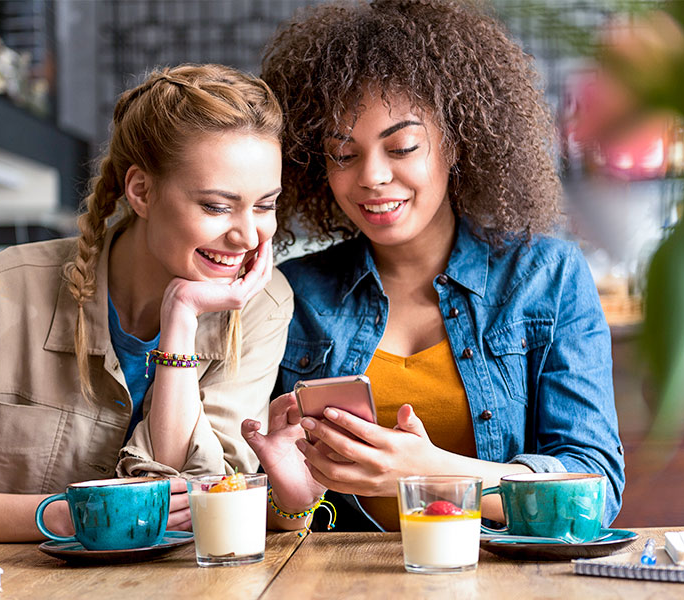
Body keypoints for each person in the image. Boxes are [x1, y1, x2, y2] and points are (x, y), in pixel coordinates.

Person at [243, 0, 624, 532]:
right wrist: (290, 499)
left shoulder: (545, 277)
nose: (372, 177)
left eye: (401, 146)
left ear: (457, 141)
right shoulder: (296, 297)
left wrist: (430, 472)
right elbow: (272, 511)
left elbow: (595, 493)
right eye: (344, 154)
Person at [0, 64, 293, 543]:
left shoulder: (262, 305)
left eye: (265, 205)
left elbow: (197, 495)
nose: (247, 235)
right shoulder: (9, 287)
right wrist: (66, 516)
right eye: (217, 207)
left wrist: (181, 313)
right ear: (141, 191)